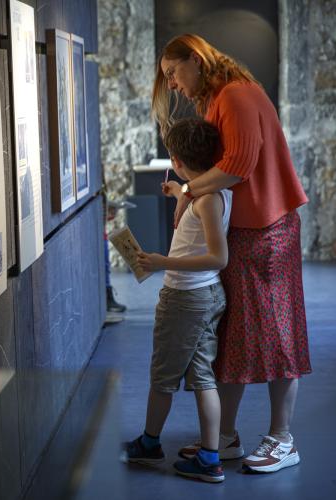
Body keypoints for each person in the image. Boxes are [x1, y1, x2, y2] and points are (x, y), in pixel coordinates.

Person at [152, 34, 310, 473]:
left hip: (268, 231)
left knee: (279, 333)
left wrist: (186, 188)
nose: (175, 86)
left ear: (197, 60)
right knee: (233, 334)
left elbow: (237, 166)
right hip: (247, 231)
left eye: (174, 74)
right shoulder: (223, 95)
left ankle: (282, 439)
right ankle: (225, 436)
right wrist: (188, 190)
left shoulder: (236, 95)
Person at [122, 117, 232, 482]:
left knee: (163, 375)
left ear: (177, 159)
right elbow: (196, 196)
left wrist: (160, 262)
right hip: (204, 296)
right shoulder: (210, 192)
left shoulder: (206, 202)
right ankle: (209, 457)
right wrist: (180, 192)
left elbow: (219, 257)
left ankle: (151, 444)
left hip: (187, 297)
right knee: (203, 376)